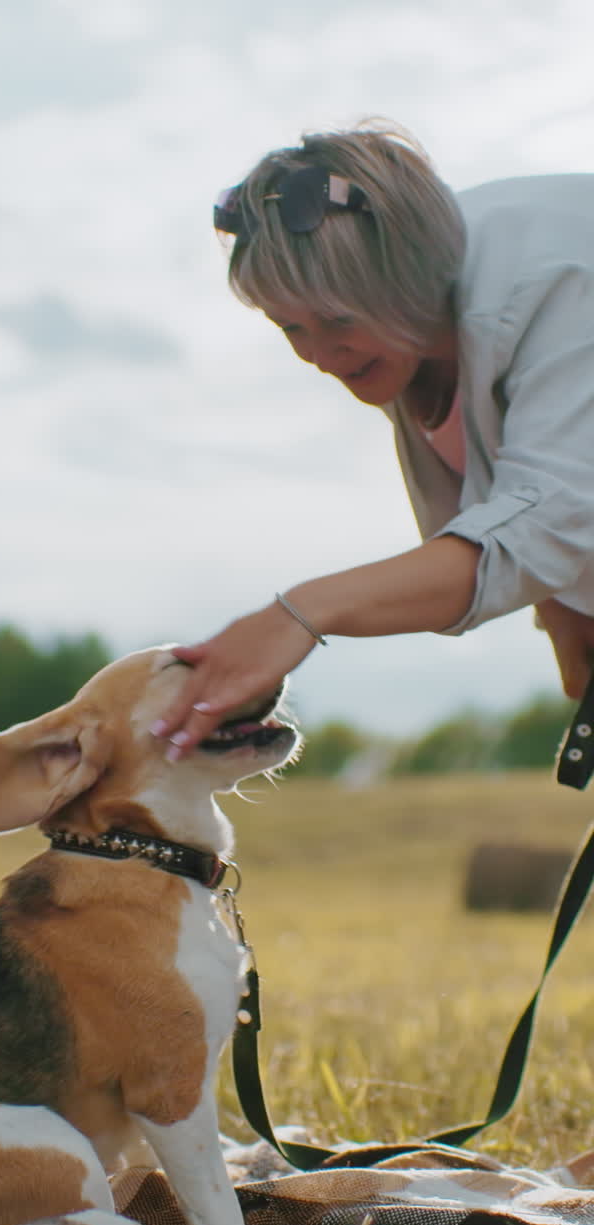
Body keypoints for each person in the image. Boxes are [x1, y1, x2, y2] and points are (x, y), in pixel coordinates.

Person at [151, 120, 594, 761]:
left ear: (404, 280)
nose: (320, 356)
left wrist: (299, 614)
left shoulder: (559, 283)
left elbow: (543, 523)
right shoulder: (405, 336)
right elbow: (525, 523)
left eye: (337, 320)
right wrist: (559, 607)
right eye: (290, 328)